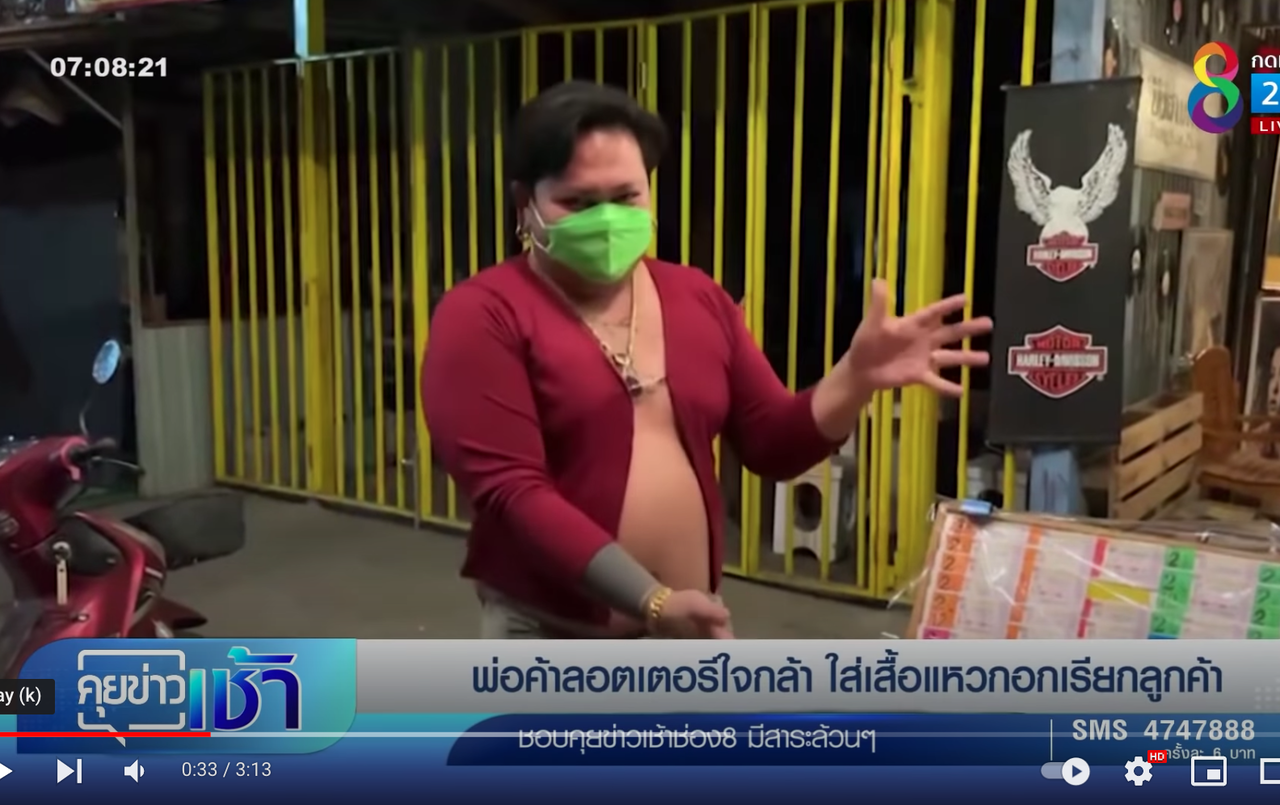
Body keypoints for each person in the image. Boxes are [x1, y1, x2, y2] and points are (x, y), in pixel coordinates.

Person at [422, 81, 992, 640]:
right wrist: (652, 600)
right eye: (579, 203)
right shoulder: (483, 315)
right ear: (525, 204)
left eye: (626, 197)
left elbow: (772, 444)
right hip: (553, 635)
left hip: (689, 626)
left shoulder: (695, 297)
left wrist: (855, 378)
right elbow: (512, 493)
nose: (607, 220)